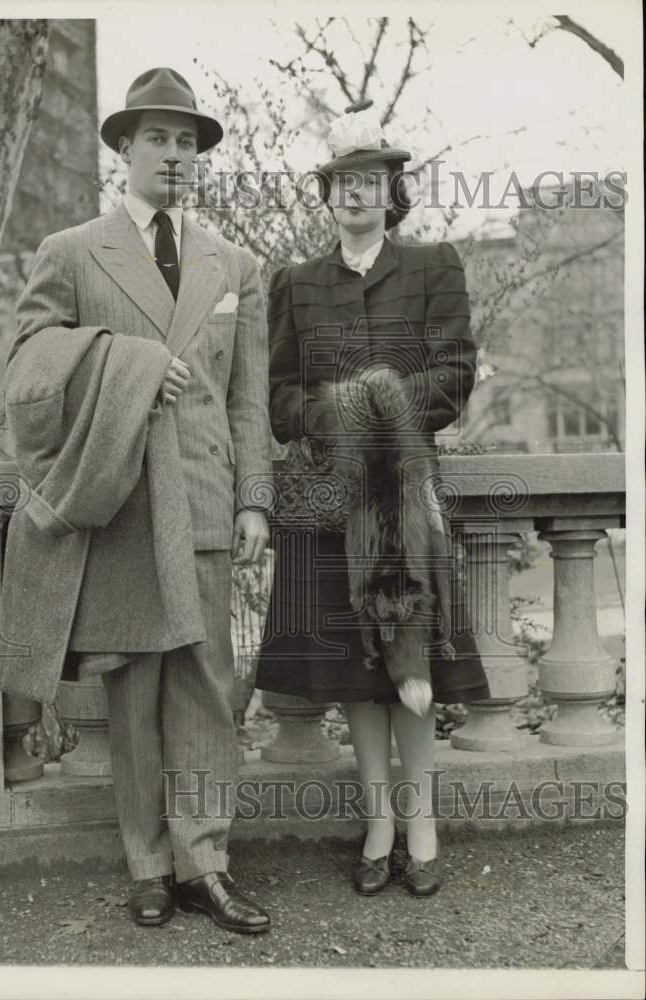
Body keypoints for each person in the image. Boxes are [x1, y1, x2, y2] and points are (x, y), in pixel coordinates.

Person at [0, 68, 272, 933]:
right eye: (157, 138)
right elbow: (28, 368)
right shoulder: (73, 249)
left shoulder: (236, 265)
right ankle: (146, 864)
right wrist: (125, 359)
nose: (175, 155)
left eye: (187, 141)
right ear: (123, 149)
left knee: (204, 683)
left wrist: (253, 499)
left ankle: (206, 862)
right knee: (135, 686)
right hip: (121, 497)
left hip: (199, 494)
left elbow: (249, 399)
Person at [256, 107, 490, 898]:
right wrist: (337, 419)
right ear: (326, 194)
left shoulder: (433, 266)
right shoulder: (293, 284)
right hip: (330, 499)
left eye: (370, 179)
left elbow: (454, 373)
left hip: (404, 496)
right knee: (357, 669)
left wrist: (375, 405)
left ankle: (420, 824)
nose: (354, 193)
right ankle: (378, 822)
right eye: (340, 181)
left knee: (410, 657)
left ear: (392, 191)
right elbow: (278, 396)